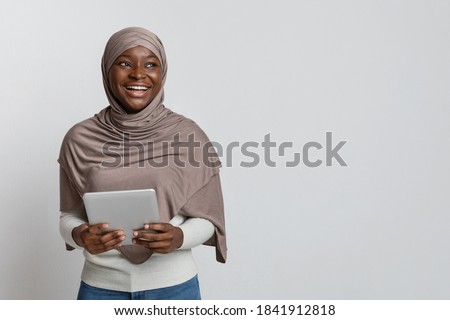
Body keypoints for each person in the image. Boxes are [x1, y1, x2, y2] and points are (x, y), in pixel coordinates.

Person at [58, 27, 227, 300]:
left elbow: (209, 217)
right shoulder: (80, 138)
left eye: (151, 64)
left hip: (174, 289)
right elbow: (69, 216)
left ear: (162, 73)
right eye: (125, 63)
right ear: (106, 70)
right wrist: (79, 236)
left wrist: (179, 237)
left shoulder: (187, 135)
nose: (138, 74)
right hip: (100, 289)